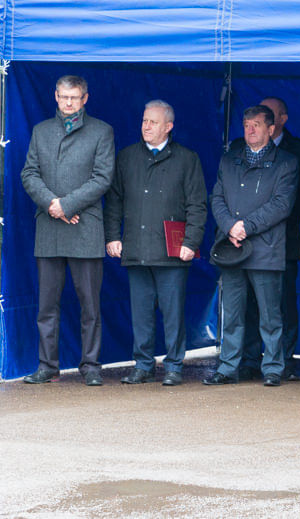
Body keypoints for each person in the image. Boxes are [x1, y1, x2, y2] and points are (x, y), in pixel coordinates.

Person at [104, 100, 207, 386]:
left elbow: (197, 206)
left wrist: (191, 240)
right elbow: (113, 201)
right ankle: (143, 365)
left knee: (173, 313)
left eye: (153, 122)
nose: (146, 126)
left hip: (172, 252)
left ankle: (174, 366)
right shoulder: (126, 157)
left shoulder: (187, 159)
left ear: (169, 127)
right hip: (136, 248)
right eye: (144, 121)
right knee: (140, 313)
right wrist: (112, 236)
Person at [20, 75, 114, 386]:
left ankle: (91, 366)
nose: (68, 103)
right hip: (49, 228)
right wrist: (52, 204)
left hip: (85, 229)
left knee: (90, 305)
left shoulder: (102, 131)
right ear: (55, 96)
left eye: (74, 97)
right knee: (47, 305)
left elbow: (103, 179)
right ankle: (47, 366)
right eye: (63, 97)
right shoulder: (41, 131)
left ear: (85, 98)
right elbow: (29, 173)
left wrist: (67, 205)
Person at [204, 105, 298, 386]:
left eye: (256, 124)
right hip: (231, 247)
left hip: (265, 248)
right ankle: (228, 366)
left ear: (271, 129)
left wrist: (246, 226)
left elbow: (281, 205)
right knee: (232, 313)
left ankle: (272, 367)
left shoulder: (287, 162)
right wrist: (230, 227)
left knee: (270, 315)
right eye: (246, 124)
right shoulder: (229, 160)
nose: (250, 129)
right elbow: (216, 198)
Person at [237, 96, 300, 382]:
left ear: (280, 120)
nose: (258, 122)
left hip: (286, 238)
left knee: (282, 303)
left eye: (267, 115)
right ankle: (249, 358)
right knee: (249, 303)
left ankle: (284, 358)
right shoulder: (239, 149)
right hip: (246, 239)